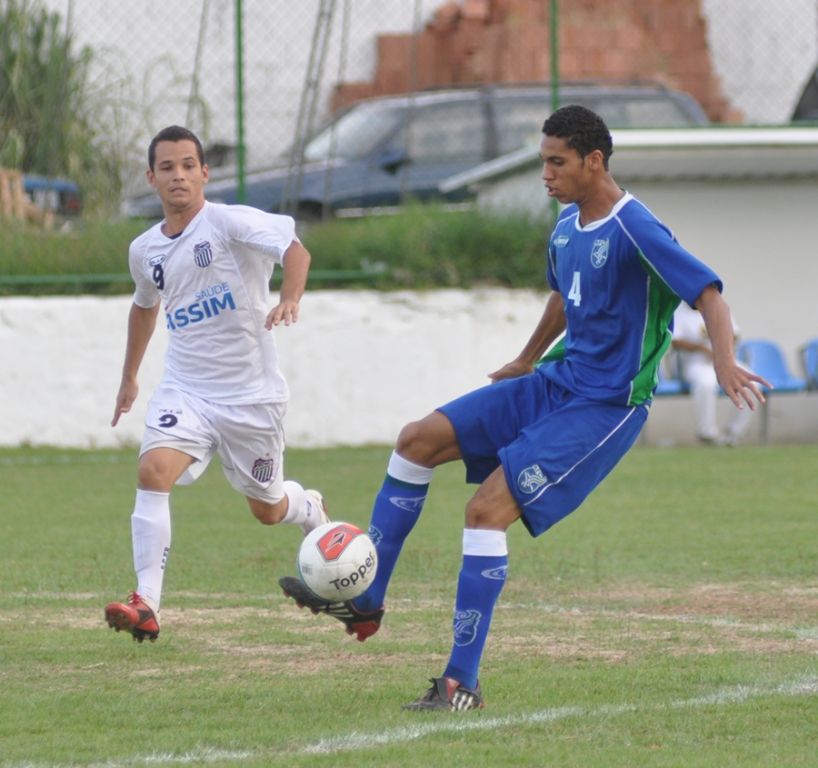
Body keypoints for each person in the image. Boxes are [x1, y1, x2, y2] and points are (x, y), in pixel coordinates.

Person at [278, 105, 770, 710]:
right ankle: (368, 597)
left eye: (555, 161)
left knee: (485, 511)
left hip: (605, 405)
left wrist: (722, 363)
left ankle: (461, 683)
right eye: (543, 161)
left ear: (593, 162)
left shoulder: (636, 226)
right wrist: (525, 356)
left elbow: (709, 295)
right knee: (416, 441)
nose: (546, 173)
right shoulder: (566, 226)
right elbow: (565, 297)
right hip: (553, 380)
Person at [105, 125, 328, 643]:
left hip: (251, 396)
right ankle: (147, 603)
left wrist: (290, 297)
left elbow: (296, 251)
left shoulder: (227, 222)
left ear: (205, 173)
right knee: (153, 471)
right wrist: (129, 378)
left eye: (188, 165)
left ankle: (310, 508)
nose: (178, 175)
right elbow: (145, 306)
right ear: (151, 178)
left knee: (268, 509)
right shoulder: (145, 251)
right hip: (186, 390)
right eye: (167, 167)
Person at [671, 301, 753, 446]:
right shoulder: (678, 311)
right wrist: (702, 349)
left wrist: (720, 342)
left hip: (724, 360)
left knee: (751, 382)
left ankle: (734, 433)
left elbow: (735, 335)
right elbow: (675, 341)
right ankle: (707, 433)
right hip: (695, 362)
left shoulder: (716, 305)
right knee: (706, 383)